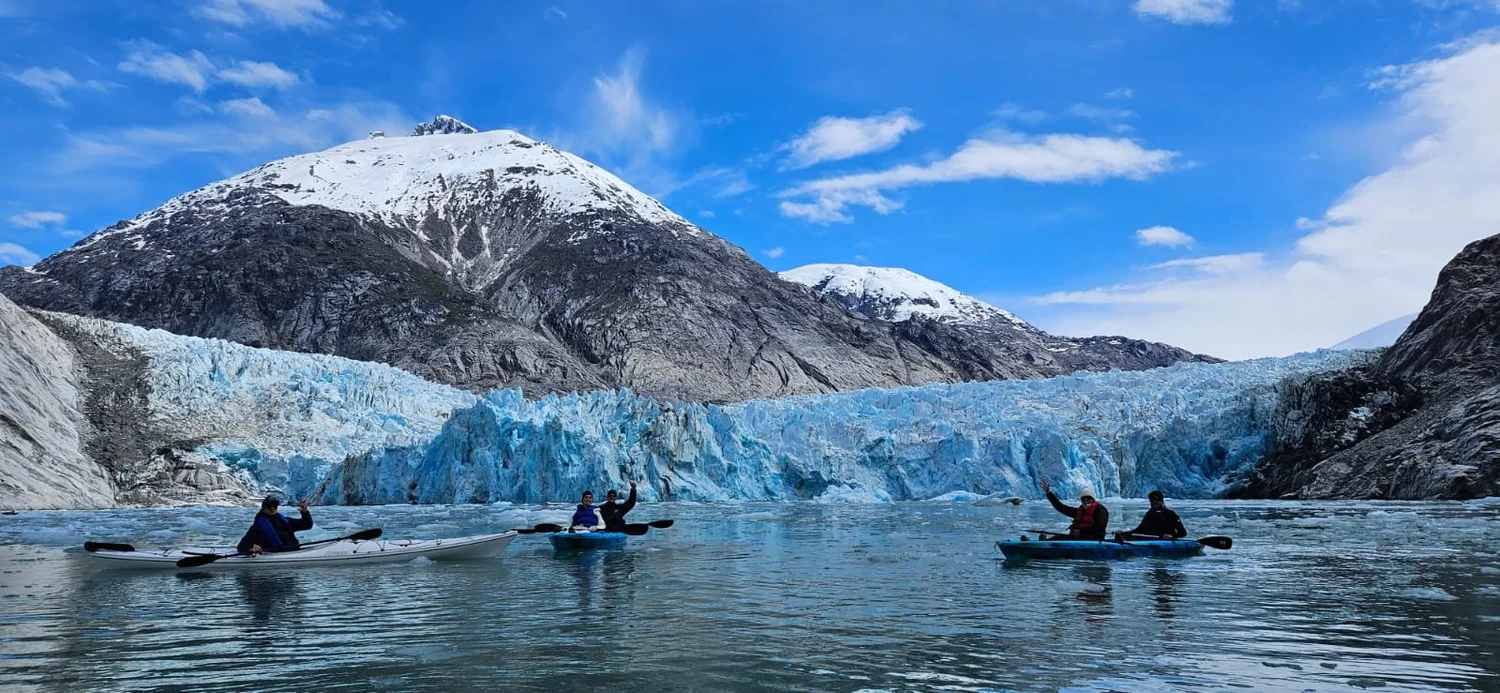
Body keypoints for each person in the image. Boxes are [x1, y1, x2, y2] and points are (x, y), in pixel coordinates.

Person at [236, 496, 313, 555]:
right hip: (274, 555)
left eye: (275, 506)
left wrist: (305, 513)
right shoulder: (258, 527)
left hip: (293, 552)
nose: (272, 508)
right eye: (269, 506)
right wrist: (251, 550)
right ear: (263, 508)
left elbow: (307, 525)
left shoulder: (285, 521)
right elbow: (241, 546)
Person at [1039, 478, 1109, 540]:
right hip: (1078, 539)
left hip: (1094, 541)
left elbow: (1100, 528)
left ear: (1093, 499)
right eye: (1083, 499)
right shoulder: (1080, 511)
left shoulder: (1100, 511)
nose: (1086, 501)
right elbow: (1061, 507)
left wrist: (1081, 532)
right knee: (1056, 538)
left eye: (1088, 498)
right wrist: (1048, 493)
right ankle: (1043, 544)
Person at [1118, 490, 1187, 540]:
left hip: (1165, 542)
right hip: (1151, 540)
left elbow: (1183, 533)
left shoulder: (1170, 514)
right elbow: (1139, 530)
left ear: (1161, 501)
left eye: (1156, 500)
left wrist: (1172, 536)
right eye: (1152, 500)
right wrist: (1124, 533)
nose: (1154, 502)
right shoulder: (1150, 514)